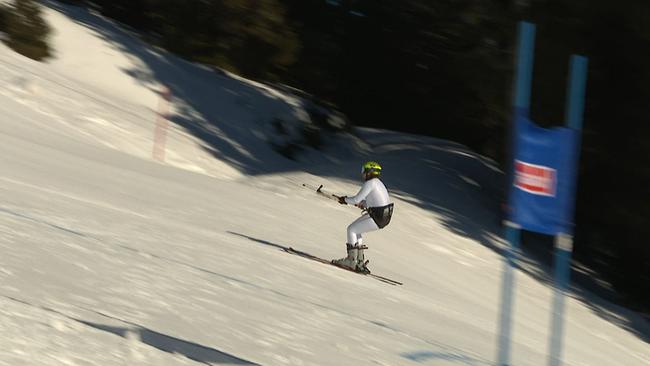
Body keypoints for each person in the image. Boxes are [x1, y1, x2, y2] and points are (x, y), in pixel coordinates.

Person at [333, 161, 394, 273]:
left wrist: (345, 200)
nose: (363, 175)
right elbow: (375, 201)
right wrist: (364, 204)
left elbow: (356, 199)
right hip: (383, 216)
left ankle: (351, 261)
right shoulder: (378, 183)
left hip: (377, 216)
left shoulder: (370, 183)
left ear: (369, 172)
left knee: (351, 229)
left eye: (364, 172)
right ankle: (360, 262)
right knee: (357, 230)